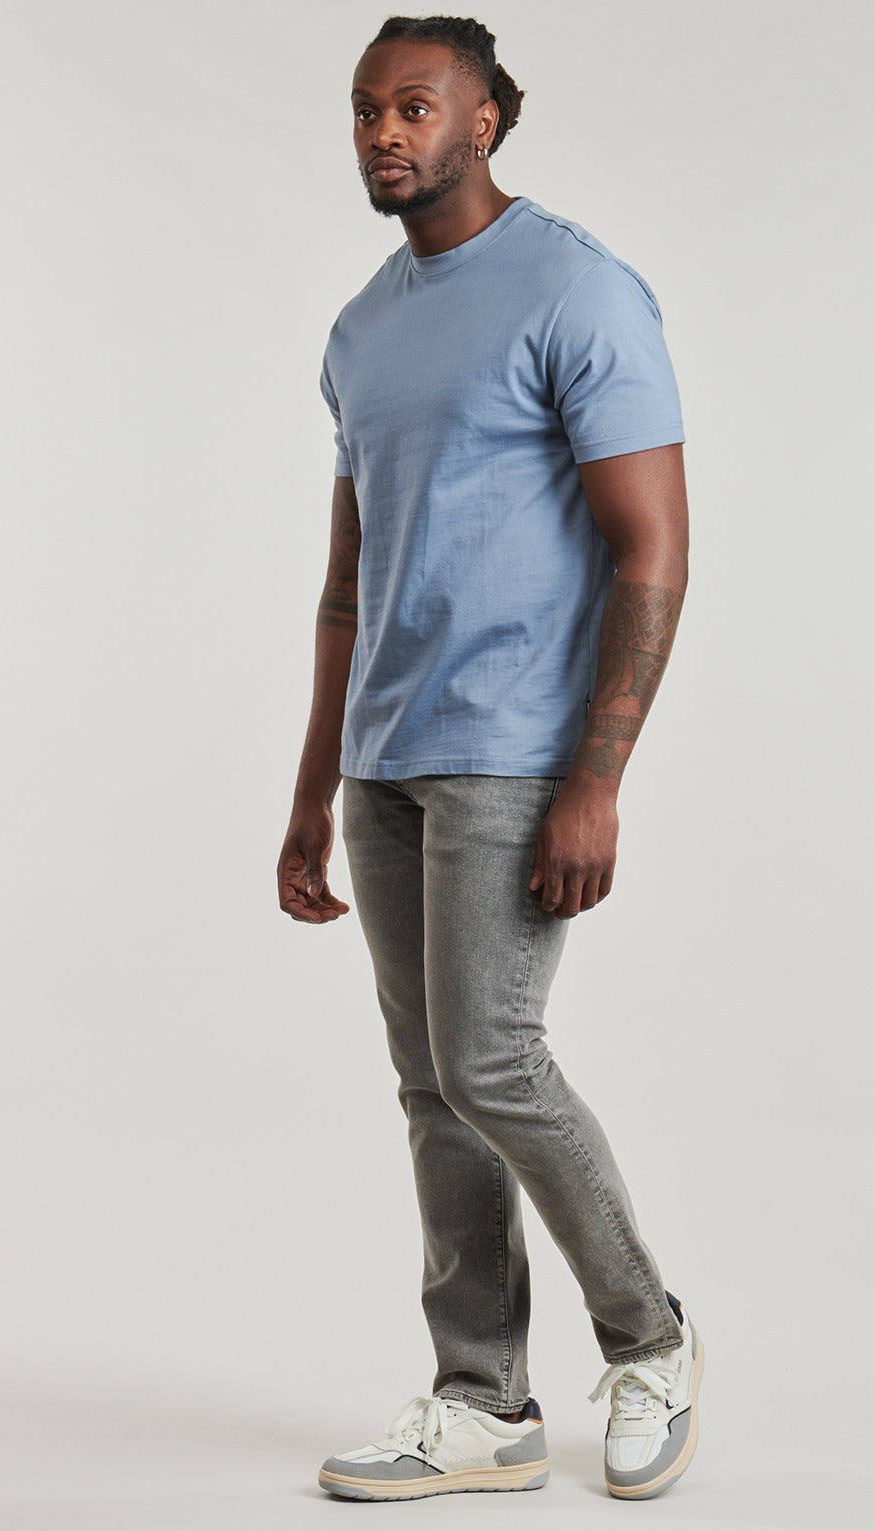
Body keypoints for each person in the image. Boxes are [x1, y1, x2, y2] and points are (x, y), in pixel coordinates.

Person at [277, 13, 699, 1503]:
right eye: (365, 110)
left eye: (415, 106)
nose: (385, 133)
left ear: (487, 120)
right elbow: (349, 583)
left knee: (492, 1062)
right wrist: (312, 792)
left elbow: (653, 552)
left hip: (516, 751)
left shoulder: (578, 288)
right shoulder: (360, 328)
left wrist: (599, 778)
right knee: (429, 1087)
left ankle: (649, 1341)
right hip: (385, 757)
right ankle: (484, 1401)